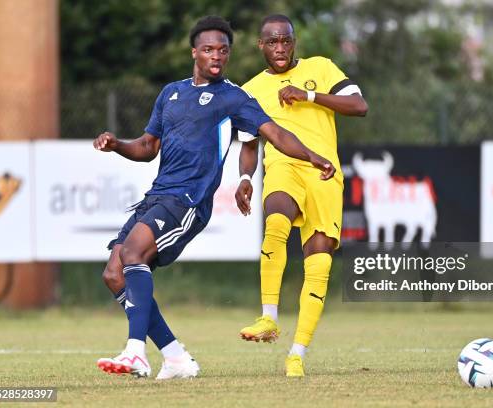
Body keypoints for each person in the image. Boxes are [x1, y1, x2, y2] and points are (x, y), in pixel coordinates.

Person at [94, 15, 335, 380]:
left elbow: (275, 133)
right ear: (195, 52)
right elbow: (147, 147)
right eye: (208, 49)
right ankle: (176, 358)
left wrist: (312, 155)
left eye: (223, 50)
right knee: (115, 273)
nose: (216, 56)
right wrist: (116, 146)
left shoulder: (234, 98)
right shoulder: (170, 93)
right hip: (158, 195)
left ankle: (136, 352)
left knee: (132, 255)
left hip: (189, 200)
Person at [235, 14, 368, 377]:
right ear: (260, 45)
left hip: (325, 172)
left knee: (320, 263)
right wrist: (246, 176)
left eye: (286, 41)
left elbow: (359, 106)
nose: (280, 48)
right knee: (275, 221)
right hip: (284, 167)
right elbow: (248, 144)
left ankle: (296, 354)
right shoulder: (250, 90)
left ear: (295, 43)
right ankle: (268, 317)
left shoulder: (321, 67)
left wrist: (308, 94)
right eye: (272, 42)